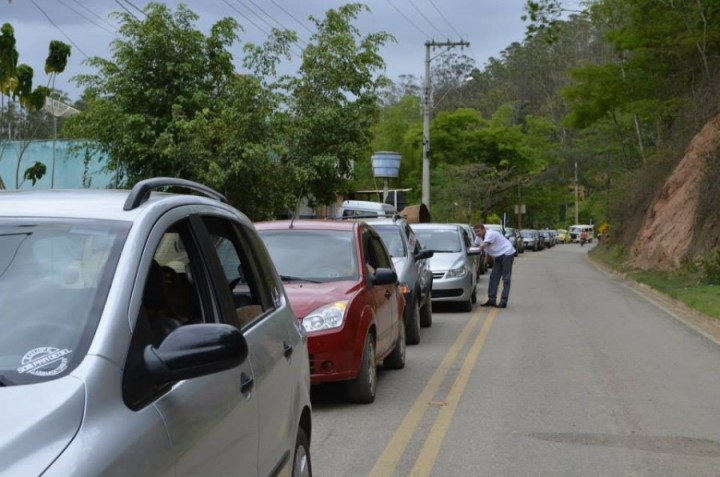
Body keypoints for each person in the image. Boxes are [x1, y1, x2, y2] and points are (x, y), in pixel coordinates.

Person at [474, 224, 516, 308]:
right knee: (494, 277)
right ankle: (491, 300)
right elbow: (475, 245)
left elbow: (483, 246)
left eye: (478, 231)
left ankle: (504, 301)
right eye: (475, 232)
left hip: (507, 253)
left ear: (483, 229)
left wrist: (476, 249)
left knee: (506, 278)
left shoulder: (491, 234)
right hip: (498, 256)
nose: (477, 233)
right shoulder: (478, 238)